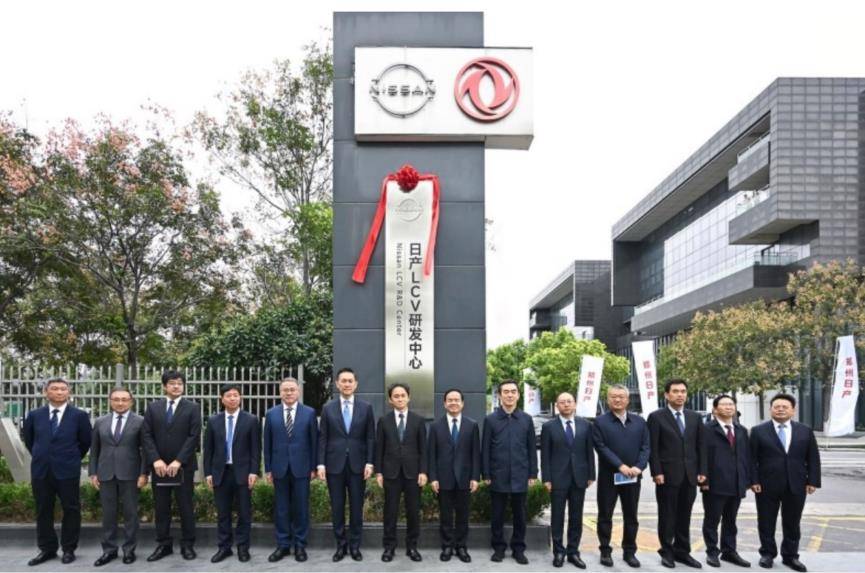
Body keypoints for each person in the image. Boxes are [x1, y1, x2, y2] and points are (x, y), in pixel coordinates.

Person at [23, 378, 92, 567]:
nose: (59, 392)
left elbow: (85, 441)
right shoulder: (34, 415)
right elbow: (29, 440)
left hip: (67, 470)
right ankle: (47, 548)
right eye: (54, 388)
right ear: (46, 392)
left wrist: (71, 457)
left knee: (71, 509)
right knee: (43, 509)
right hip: (41, 470)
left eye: (63, 389)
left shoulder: (79, 415)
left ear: (69, 392)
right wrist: (43, 455)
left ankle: (69, 549)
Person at [750, 394, 821, 572]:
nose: (781, 409)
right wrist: (753, 480)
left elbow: (813, 457)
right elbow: (751, 459)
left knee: (792, 522)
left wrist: (812, 481)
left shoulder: (805, 431)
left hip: (796, 483)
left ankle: (790, 556)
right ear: (771, 409)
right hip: (766, 484)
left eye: (785, 407)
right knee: (766, 521)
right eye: (777, 406)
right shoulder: (758, 431)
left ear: (793, 410)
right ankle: (767, 554)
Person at [141, 370, 202, 562]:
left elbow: (194, 436)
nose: (176, 386)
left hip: (183, 467)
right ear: (164, 386)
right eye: (172, 383)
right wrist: (155, 460)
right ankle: (163, 544)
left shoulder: (193, 408)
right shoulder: (153, 407)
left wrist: (178, 461)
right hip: (159, 467)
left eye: (180, 383)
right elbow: (146, 435)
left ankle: (188, 544)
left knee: (186, 506)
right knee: (161, 507)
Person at [317, 367, 376, 562]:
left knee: (357, 508)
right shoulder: (328, 408)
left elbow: (370, 437)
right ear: (337, 384)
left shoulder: (366, 408)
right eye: (343, 381)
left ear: (356, 384)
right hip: (334, 465)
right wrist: (321, 464)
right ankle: (340, 546)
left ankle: (355, 546)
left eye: (350, 381)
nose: (347, 384)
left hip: (358, 465)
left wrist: (370, 462)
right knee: (337, 507)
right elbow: (323, 438)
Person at [647, 379, 706, 569]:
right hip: (667, 475)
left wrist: (702, 471)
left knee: (685, 515)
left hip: (690, 475)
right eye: (675, 391)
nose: (680, 395)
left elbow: (701, 446)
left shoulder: (694, 417)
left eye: (683, 391)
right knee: (667, 515)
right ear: (666, 395)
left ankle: (682, 552)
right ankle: (667, 551)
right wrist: (656, 471)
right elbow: (653, 448)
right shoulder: (656, 417)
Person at [89, 387, 148, 566]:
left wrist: (144, 473)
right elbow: (94, 449)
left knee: (131, 514)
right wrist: (93, 472)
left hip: (131, 474)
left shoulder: (140, 421)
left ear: (131, 402)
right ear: (110, 401)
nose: (120, 403)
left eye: (124, 399)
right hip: (105, 473)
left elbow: (146, 450)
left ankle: (129, 550)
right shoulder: (100, 421)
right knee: (108, 515)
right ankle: (109, 550)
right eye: (116, 399)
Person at [592, 384, 649, 569]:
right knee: (605, 515)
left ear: (627, 400)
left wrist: (639, 467)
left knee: (631, 516)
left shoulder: (639, 422)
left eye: (621, 397)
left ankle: (629, 551)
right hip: (609, 477)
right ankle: (605, 551)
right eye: (613, 396)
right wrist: (620, 465)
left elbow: (646, 447)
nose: (617, 400)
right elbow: (601, 447)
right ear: (608, 399)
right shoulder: (600, 422)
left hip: (633, 477)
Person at [482, 379, 538, 565]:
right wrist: (486, 474)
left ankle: (518, 549)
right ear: (499, 395)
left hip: (520, 475)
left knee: (520, 516)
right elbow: (485, 449)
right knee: (497, 515)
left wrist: (533, 473)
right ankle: (498, 548)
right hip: (498, 475)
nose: (509, 395)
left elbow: (531, 449)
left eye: (513, 391)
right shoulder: (490, 420)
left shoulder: (526, 419)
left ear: (518, 395)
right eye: (505, 392)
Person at [203, 384, 261, 563]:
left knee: (244, 512)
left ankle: (243, 547)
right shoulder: (213, 420)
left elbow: (255, 449)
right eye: (228, 395)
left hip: (243, 473)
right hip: (220, 473)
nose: (233, 398)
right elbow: (208, 450)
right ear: (222, 399)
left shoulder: (251, 420)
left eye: (236, 395)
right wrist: (208, 473)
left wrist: (254, 471)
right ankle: (224, 547)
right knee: (223, 513)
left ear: (240, 398)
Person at [263, 377, 318, 563]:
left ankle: (300, 545)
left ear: (298, 391)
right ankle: (283, 545)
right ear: (280, 392)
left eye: (292, 389)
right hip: (279, 468)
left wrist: (313, 467)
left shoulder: (309, 413)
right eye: (285, 390)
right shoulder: (271, 414)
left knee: (301, 508)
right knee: (281, 509)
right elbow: (267, 443)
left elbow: (314, 442)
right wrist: (268, 468)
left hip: (302, 468)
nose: (289, 393)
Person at [541, 392, 595, 569]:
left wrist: (591, 474)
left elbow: (589, 451)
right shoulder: (549, 427)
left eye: (569, 401)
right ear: (557, 406)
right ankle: (558, 551)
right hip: (557, 478)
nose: (566, 404)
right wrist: (546, 478)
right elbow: (545, 455)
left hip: (579, 478)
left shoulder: (586, 425)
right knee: (557, 516)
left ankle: (573, 552)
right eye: (562, 402)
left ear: (575, 404)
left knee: (576, 517)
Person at [375, 383, 427, 562]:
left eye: (403, 395)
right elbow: (379, 448)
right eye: (396, 396)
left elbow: (423, 449)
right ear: (390, 400)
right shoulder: (384, 421)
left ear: (408, 397)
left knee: (413, 512)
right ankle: (389, 548)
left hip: (413, 473)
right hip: (391, 473)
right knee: (390, 513)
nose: (400, 399)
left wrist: (423, 471)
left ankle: (412, 547)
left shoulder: (418, 420)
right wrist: (379, 472)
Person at [428, 388, 480, 563]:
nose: (453, 403)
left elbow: (475, 454)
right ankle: (447, 546)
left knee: (463, 515)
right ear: (444, 403)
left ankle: (461, 546)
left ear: (462, 403)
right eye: (450, 400)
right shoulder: (435, 426)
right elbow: (431, 454)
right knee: (445, 515)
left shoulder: (472, 425)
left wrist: (475, 477)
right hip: (443, 478)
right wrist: (433, 477)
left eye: (457, 400)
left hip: (465, 478)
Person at [700, 395, 752, 568]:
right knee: (712, 520)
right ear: (715, 410)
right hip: (714, 483)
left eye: (731, 404)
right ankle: (712, 552)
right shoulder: (706, 429)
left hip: (736, 483)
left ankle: (729, 551)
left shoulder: (741, 430)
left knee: (731, 520)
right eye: (724, 404)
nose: (728, 407)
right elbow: (702, 456)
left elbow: (746, 457)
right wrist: (704, 479)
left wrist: (747, 480)